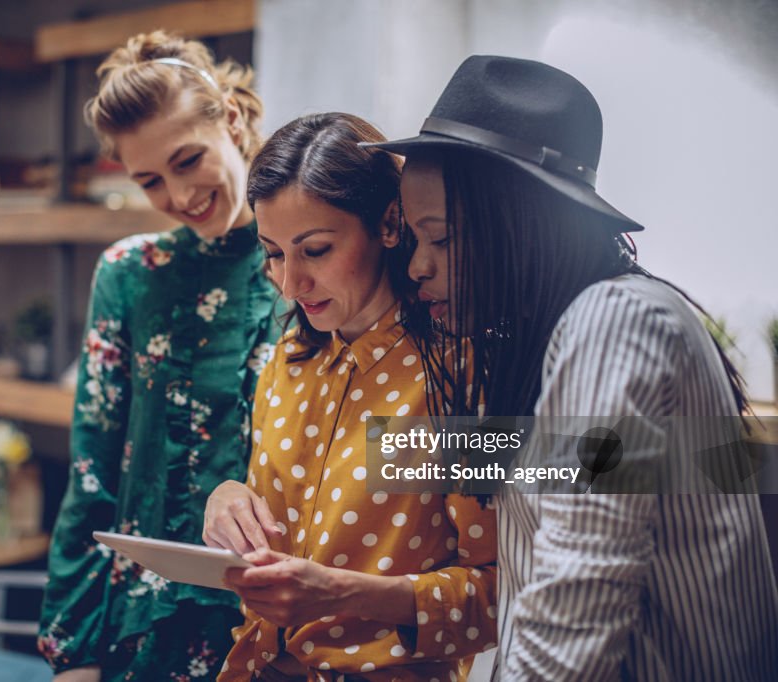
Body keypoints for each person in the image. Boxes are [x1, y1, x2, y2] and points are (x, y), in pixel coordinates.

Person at [372, 55, 778, 679]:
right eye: (414, 242)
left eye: (442, 238)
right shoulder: (549, 338)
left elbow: (576, 604)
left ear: (519, 223)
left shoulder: (613, 322)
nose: (418, 267)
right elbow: (412, 459)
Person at [203, 112, 497, 681]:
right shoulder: (288, 359)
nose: (290, 283)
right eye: (273, 252)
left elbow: (497, 595)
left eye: (314, 250)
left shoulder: (459, 373)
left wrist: (350, 595)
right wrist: (227, 496)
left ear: (389, 225)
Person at [38, 31, 280, 681]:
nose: (177, 196)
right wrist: (72, 650)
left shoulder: (309, 259)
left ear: (230, 117)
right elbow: (91, 476)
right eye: (149, 179)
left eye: (188, 159)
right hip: (140, 627)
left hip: (276, 617)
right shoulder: (128, 273)